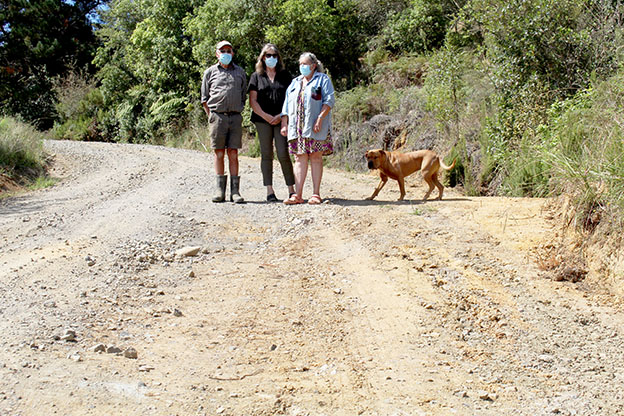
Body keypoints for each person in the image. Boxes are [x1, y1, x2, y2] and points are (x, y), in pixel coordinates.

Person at [280, 52, 335, 205]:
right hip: (297, 128)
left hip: (316, 126)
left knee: (316, 158)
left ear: (313, 65)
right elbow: (286, 105)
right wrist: (284, 123)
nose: (302, 67)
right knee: (299, 158)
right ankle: (297, 195)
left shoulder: (323, 79)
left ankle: (316, 194)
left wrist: (320, 118)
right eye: (300, 64)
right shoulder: (295, 82)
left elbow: (329, 100)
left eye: (305, 64)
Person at [201, 40, 247, 203]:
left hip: (235, 117)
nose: (226, 53)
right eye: (223, 51)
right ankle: (220, 191)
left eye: (229, 50)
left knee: (233, 153)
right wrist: (211, 116)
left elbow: (243, 95)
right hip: (217, 117)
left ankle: (235, 192)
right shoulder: (210, 72)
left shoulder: (240, 72)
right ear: (217, 54)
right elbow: (204, 98)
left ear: (233, 53)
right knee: (219, 153)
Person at [248, 44, 295, 202]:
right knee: (266, 154)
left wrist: (283, 117)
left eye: (274, 55)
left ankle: (291, 190)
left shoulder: (285, 76)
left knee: (283, 153)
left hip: (282, 119)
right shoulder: (256, 76)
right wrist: (266, 116)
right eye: (268, 55)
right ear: (262, 57)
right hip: (262, 120)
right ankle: (269, 190)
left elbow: (291, 99)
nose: (271, 58)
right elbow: (253, 101)